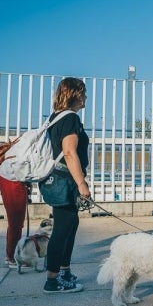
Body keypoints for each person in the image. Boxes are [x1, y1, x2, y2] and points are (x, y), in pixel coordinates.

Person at [43, 77, 90, 294]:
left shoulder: (56, 117)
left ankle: (64, 271)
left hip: (59, 179)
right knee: (62, 229)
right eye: (83, 93)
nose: (86, 97)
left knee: (70, 225)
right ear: (74, 94)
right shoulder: (70, 118)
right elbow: (69, 153)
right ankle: (53, 280)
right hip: (64, 180)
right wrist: (81, 183)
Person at [0, 175, 31, 267]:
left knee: (16, 222)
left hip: (13, 179)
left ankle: (11, 256)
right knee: (16, 222)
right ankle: (11, 257)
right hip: (12, 180)